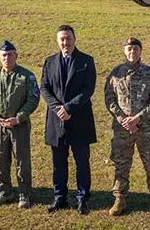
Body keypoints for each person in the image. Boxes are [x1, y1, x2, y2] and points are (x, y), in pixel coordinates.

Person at [104, 37, 150, 216]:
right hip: (122, 128)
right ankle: (119, 199)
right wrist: (122, 118)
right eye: (129, 49)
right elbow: (109, 98)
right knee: (121, 164)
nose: (132, 52)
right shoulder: (115, 73)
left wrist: (137, 118)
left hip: (145, 127)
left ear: (140, 51)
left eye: (136, 49)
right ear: (124, 51)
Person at [40, 24, 97, 215]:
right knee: (58, 162)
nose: (66, 42)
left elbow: (88, 89)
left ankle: (82, 198)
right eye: (62, 39)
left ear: (75, 39)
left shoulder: (86, 61)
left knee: (82, 162)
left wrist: (69, 108)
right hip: (57, 120)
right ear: (57, 41)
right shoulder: (49, 62)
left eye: (68, 38)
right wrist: (58, 108)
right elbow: (44, 88)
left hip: (78, 119)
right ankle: (60, 197)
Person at [0, 40, 40, 209]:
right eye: (4, 55)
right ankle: (5, 191)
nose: (7, 58)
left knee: (22, 160)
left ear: (16, 56)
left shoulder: (26, 76)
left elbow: (33, 98)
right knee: (0, 159)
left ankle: (24, 193)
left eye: (10, 55)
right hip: (1, 125)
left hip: (19, 125)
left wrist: (19, 117)